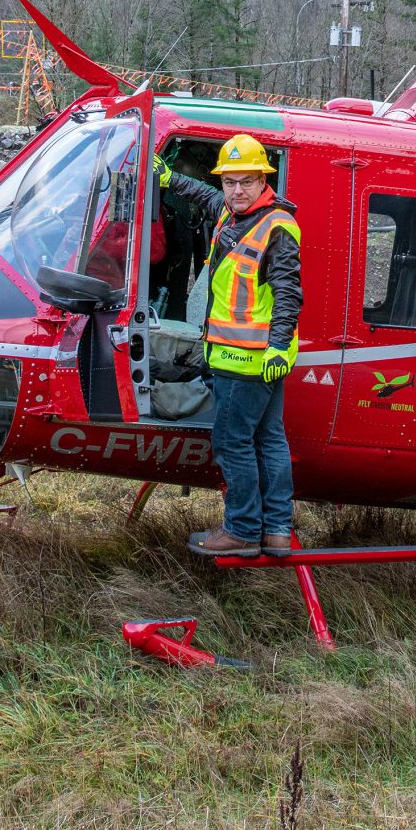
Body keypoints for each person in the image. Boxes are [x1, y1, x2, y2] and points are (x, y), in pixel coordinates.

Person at [163, 134, 303, 557]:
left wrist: (278, 346)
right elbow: (205, 195)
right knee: (269, 439)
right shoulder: (234, 213)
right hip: (249, 359)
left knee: (233, 442)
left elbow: (288, 292)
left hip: (247, 360)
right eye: (230, 182)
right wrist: (169, 178)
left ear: (264, 180)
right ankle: (276, 529)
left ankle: (241, 530)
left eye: (246, 181)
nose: (236, 190)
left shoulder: (275, 226)